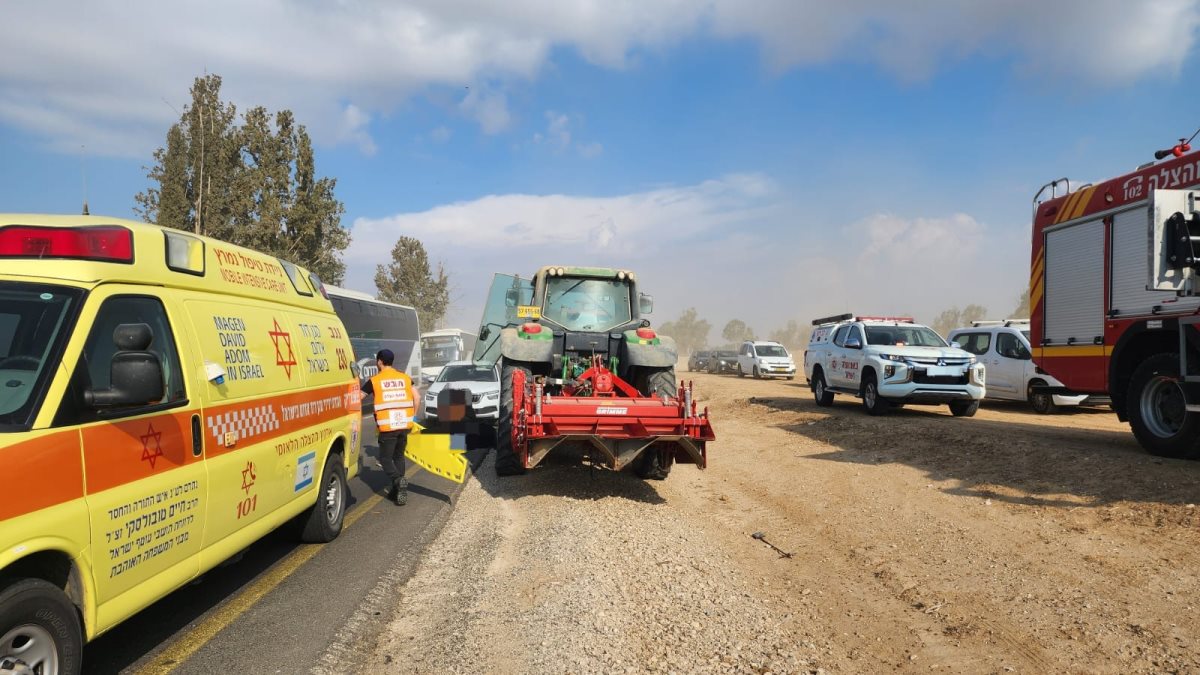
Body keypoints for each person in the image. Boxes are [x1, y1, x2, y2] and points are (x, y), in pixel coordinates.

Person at [361, 349, 415, 505]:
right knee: (398, 457)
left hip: (388, 427)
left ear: (379, 362)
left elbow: (358, 397)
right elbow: (416, 397)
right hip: (404, 425)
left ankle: (398, 481)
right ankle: (397, 492)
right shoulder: (405, 378)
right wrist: (412, 416)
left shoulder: (375, 380)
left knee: (385, 460)